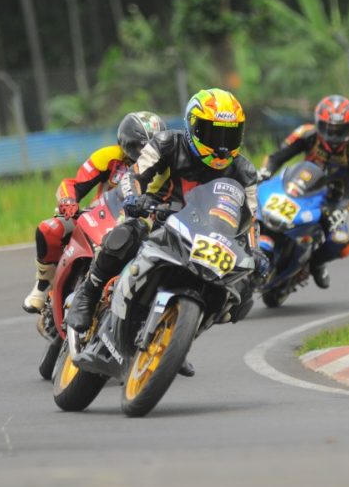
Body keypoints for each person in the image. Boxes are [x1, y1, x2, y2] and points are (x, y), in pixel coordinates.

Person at [66, 87, 267, 342]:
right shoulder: (167, 143)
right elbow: (135, 174)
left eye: (230, 135)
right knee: (128, 231)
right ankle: (89, 291)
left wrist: (254, 250)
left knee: (241, 290)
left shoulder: (244, 171)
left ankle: (177, 337)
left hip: (205, 233)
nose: (222, 146)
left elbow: (250, 218)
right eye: (214, 134)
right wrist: (133, 197)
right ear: (193, 128)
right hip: (157, 215)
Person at [22, 111, 165, 314]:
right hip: (97, 217)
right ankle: (43, 284)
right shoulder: (108, 156)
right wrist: (68, 201)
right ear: (126, 142)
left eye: (152, 146)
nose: (146, 152)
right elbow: (73, 184)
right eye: (141, 146)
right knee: (50, 228)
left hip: (139, 226)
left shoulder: (166, 166)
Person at [257, 94, 349, 289]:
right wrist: (265, 172)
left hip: (331, 200)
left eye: (340, 129)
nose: (333, 135)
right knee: (259, 202)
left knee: (342, 243)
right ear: (319, 123)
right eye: (328, 128)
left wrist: (341, 210)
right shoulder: (306, 134)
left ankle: (315, 263)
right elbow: (277, 157)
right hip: (299, 186)